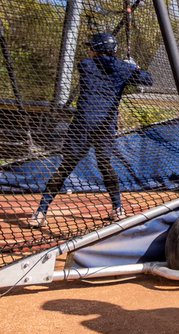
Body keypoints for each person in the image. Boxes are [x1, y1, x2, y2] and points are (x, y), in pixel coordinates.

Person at [29, 33, 153, 227]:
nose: (89, 50)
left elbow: (106, 66)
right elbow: (147, 80)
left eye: (92, 47)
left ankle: (41, 211)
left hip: (83, 124)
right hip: (105, 126)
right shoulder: (122, 68)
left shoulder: (85, 65)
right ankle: (118, 208)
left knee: (65, 167)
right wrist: (133, 67)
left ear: (98, 49)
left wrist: (126, 67)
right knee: (105, 165)